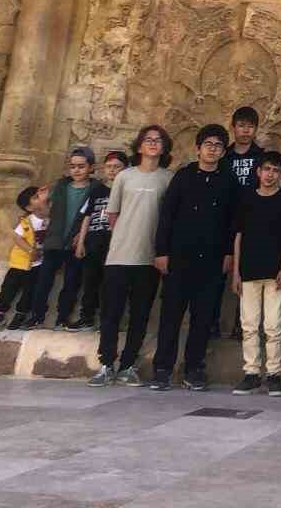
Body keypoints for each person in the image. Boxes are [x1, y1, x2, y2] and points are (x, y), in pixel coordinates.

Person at [148, 124, 237, 392]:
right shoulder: (183, 177)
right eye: (208, 144)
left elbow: (232, 221)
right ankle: (162, 368)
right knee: (171, 316)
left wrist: (229, 253)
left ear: (223, 151)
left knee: (203, 317)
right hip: (179, 257)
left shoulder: (227, 181)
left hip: (210, 260)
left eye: (218, 146)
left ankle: (194, 368)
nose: (213, 149)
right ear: (198, 148)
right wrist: (161, 251)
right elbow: (167, 216)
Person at [90, 125, 172, 387]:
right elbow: (113, 214)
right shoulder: (125, 176)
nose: (153, 144)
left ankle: (127, 364)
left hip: (148, 258)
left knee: (140, 314)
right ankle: (105, 363)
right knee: (111, 313)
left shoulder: (168, 178)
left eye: (158, 140)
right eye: (148, 140)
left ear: (164, 147)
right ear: (139, 146)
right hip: (119, 256)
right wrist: (125, 236)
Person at [232, 151, 281, 397]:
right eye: (266, 169)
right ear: (258, 172)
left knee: (273, 325)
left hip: (274, 273)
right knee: (248, 324)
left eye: (275, 170)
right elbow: (238, 236)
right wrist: (236, 271)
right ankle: (250, 373)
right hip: (248, 270)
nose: (270, 175)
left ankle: (274, 374)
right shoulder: (247, 198)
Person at [30, 146, 104, 328]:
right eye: (73, 166)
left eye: (81, 166)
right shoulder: (61, 186)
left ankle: (62, 317)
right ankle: (36, 316)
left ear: (91, 168)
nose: (76, 170)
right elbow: (44, 209)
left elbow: (94, 214)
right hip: (54, 240)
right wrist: (41, 201)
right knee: (43, 281)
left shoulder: (96, 188)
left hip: (75, 242)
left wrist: (82, 236)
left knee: (71, 283)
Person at [217, 107, 262, 339]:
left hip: (250, 220)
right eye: (241, 125)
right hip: (221, 219)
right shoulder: (222, 155)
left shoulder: (261, 157)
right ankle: (212, 321)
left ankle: (240, 323)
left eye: (250, 126)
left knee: (246, 274)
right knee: (217, 273)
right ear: (233, 127)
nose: (245, 130)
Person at [72, 149, 126, 330]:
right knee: (90, 282)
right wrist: (81, 242)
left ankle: (108, 320)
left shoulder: (127, 191)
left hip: (115, 243)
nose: (112, 170)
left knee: (110, 284)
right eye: (109, 167)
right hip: (94, 241)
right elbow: (87, 216)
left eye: (117, 167)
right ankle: (86, 317)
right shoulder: (96, 191)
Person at [0, 185, 45, 331]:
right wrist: (31, 251)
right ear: (29, 207)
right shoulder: (27, 221)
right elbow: (18, 238)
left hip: (38, 265)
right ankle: (0, 312)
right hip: (20, 262)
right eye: (36, 197)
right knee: (9, 288)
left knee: (30, 291)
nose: (42, 198)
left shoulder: (51, 219)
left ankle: (21, 314)